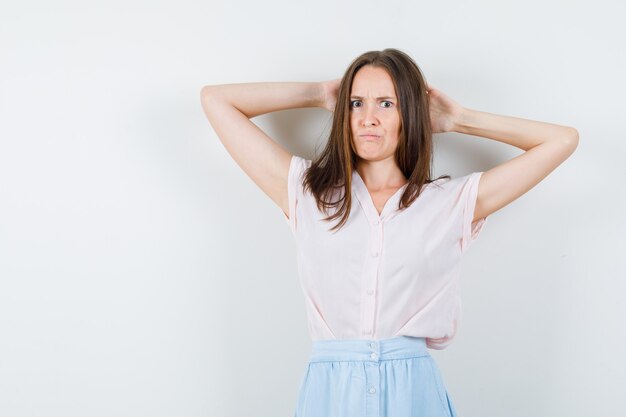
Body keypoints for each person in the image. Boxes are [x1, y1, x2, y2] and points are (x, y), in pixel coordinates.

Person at [200, 48, 578, 417]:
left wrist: (459, 119)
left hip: (412, 390)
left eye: (386, 103)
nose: (368, 117)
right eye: (355, 103)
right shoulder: (306, 193)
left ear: (410, 114)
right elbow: (216, 101)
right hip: (332, 391)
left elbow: (561, 141)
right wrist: (318, 94)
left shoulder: (449, 202)